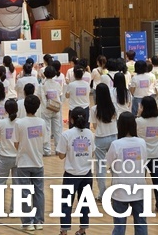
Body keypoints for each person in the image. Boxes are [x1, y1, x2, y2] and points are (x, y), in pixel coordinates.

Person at [106, 111, 148, 235]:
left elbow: (107, 164)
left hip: (120, 191)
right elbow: (144, 162)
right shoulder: (142, 143)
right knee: (141, 223)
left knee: (119, 226)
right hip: (139, 189)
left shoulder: (116, 144)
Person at [57, 106, 95, 235]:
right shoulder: (90, 134)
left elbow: (61, 155)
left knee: (66, 203)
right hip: (87, 174)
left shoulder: (66, 134)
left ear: (71, 120)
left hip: (71, 174)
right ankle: (82, 230)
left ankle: (64, 231)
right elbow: (93, 152)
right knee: (84, 203)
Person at [13, 94, 46, 230]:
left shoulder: (19, 123)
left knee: (25, 193)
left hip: (23, 163)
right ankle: (38, 221)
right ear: (38, 107)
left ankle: (27, 222)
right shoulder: (42, 122)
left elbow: (16, 143)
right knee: (39, 192)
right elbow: (43, 141)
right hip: (38, 162)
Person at [0, 98, 19, 217]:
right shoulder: (20, 122)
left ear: (5, 110)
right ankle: (15, 209)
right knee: (17, 184)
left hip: (5, 156)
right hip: (18, 157)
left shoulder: (1, 123)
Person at [137, 96, 158, 213]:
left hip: (142, 156)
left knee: (139, 181)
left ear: (144, 107)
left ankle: (139, 203)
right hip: (156, 154)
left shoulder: (139, 121)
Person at [91, 83, 117, 201]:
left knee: (100, 168)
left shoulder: (94, 109)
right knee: (115, 167)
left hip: (100, 138)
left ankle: (102, 194)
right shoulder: (114, 107)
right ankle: (115, 192)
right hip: (114, 138)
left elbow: (95, 126)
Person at [39, 65, 63, 156]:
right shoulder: (57, 84)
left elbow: (41, 97)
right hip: (56, 109)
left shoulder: (43, 85)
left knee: (47, 130)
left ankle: (47, 150)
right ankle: (58, 149)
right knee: (57, 130)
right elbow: (59, 95)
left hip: (46, 110)